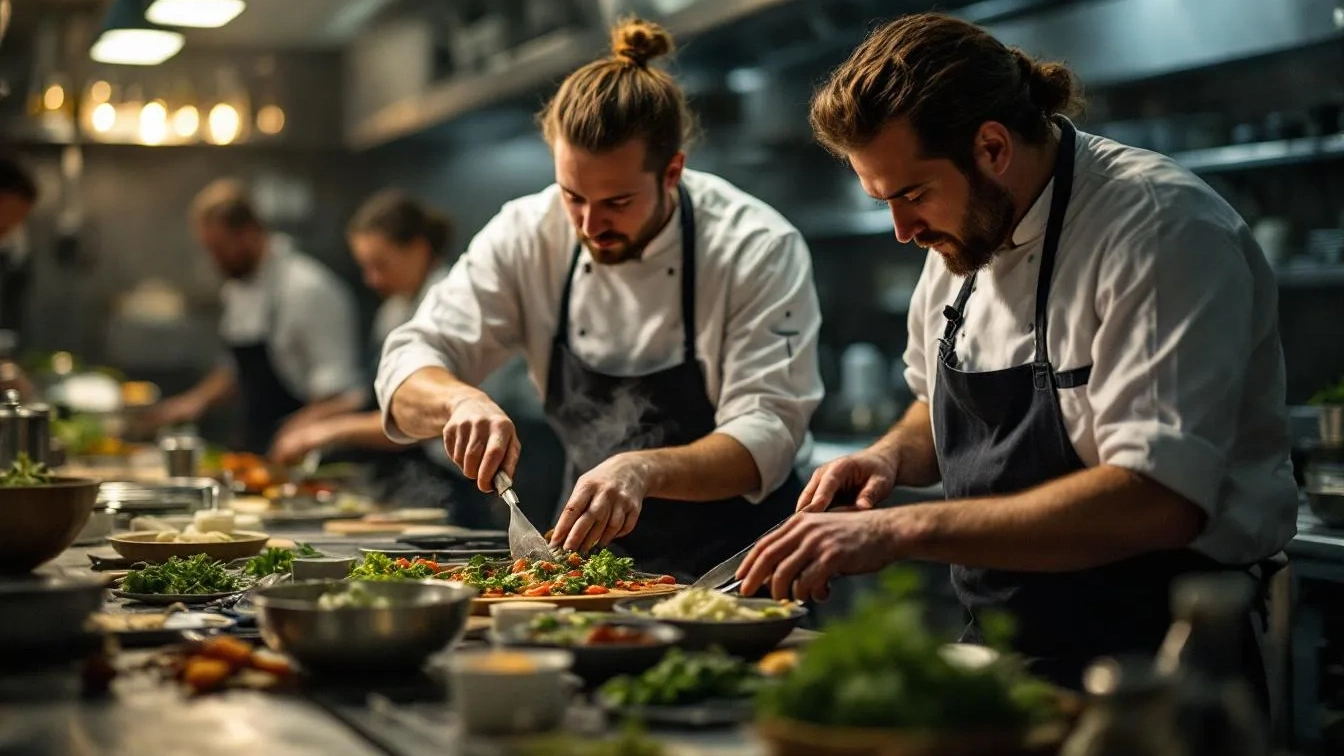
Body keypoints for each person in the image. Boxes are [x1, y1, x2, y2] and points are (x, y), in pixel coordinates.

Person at [737, 13, 1297, 695]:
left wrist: (900, 529)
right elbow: (932, 406)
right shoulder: (961, 233)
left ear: (993, 147)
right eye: (885, 201)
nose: (902, 230)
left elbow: (1160, 498)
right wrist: (887, 458)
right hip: (1002, 653)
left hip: (1159, 667)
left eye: (911, 195)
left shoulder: (1158, 229)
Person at [377, 18, 824, 581]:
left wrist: (642, 469)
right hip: (586, 566)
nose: (590, 223)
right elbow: (411, 357)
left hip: (739, 568)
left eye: (617, 201)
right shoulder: (527, 232)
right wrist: (459, 402)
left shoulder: (754, 247)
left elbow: (768, 434)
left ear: (673, 172)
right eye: (573, 195)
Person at [143, 179, 364, 455]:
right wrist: (193, 402)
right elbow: (238, 369)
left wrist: (301, 434)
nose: (215, 261)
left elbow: (341, 393)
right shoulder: (238, 287)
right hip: (253, 445)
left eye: (220, 249)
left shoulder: (309, 290)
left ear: (249, 233)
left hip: (303, 455)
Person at [270, 189, 452, 465]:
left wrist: (330, 430)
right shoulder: (394, 309)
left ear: (419, 248)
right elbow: (379, 396)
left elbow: (429, 416)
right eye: (365, 267)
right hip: (419, 468)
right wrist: (322, 414)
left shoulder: (450, 303)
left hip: (463, 476)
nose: (371, 280)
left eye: (380, 265)